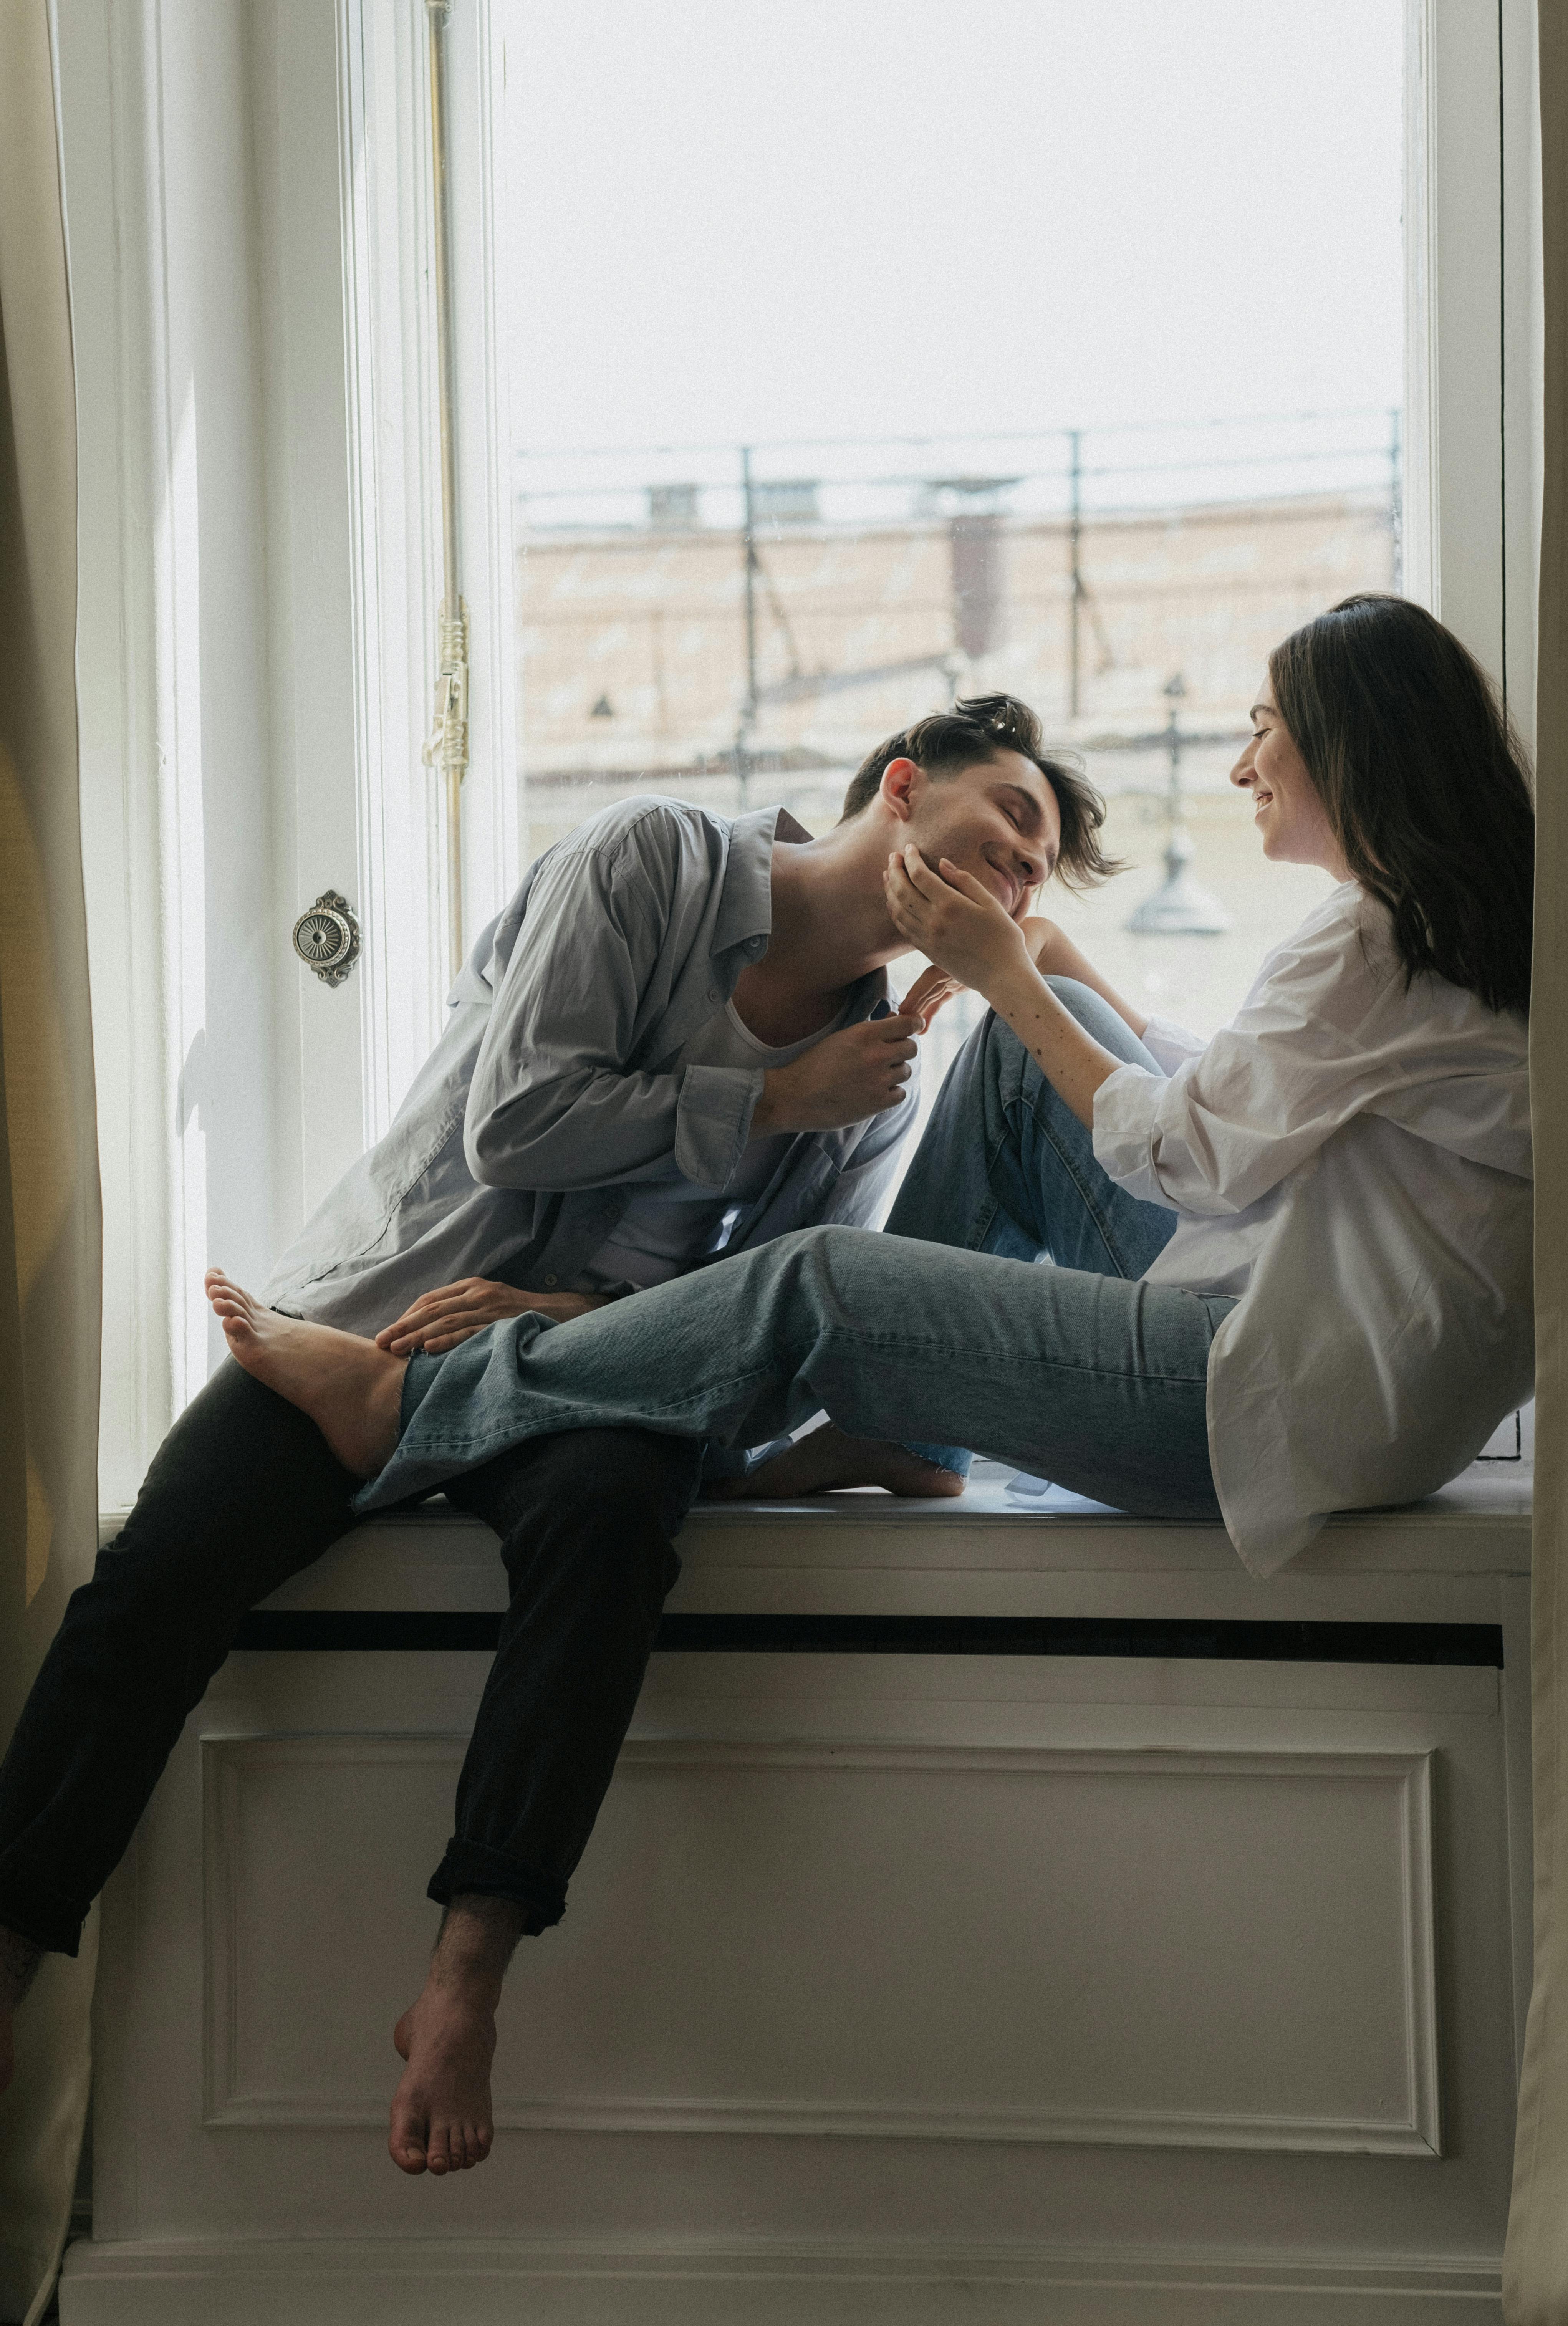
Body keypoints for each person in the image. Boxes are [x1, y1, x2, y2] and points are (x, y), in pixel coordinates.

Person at [202, 594, 1533, 2174]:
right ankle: (893, 1429)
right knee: (999, 1077)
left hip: (1258, 1392)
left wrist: (1010, 970)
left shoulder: (1364, 937)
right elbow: (1236, 1116)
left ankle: (418, 1403)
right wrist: (1042, 979)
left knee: (821, 1282)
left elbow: (1192, 1151)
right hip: (1346, 1374)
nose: (1243, 756)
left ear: (1347, 746)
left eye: (1266, 724)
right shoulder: (1447, 932)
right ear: (901, 785)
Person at [0, 695, 1119, 2146]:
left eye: (1038, 879)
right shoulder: (650, 859)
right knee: (161, 1570)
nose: (1019, 878)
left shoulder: (881, 1076)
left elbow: (763, 1335)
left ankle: (464, 1983)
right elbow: (516, 1121)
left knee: (609, 1531)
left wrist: (566, 1324)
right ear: (902, 789)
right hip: (391, 1303)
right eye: (1011, 826)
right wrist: (775, 1099)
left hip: (599, 1369)